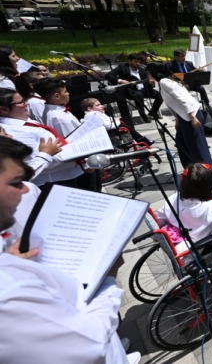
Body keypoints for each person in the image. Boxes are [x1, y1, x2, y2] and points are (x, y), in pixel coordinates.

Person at [0, 136, 142, 364]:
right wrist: (107, 279)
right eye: (15, 182)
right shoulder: (7, 291)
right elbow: (89, 343)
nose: (25, 190)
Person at [0, 89, 79, 189]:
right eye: (20, 102)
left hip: (65, 174)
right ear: (4, 109)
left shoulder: (21, 119)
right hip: (53, 182)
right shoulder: (13, 132)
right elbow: (34, 162)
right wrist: (75, 154)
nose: (26, 104)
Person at [147, 64, 212, 169]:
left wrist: (192, 118)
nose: (147, 75)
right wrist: (178, 119)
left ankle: (209, 174)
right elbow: (174, 103)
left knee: (197, 149)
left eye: (149, 73)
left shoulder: (164, 82)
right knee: (181, 144)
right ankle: (190, 171)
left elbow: (183, 99)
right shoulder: (165, 82)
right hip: (185, 116)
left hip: (191, 115)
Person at [105, 53, 163, 123]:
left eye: (139, 62)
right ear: (129, 61)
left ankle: (153, 112)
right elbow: (108, 75)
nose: (138, 63)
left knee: (161, 95)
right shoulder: (122, 67)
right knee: (139, 95)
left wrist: (152, 84)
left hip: (143, 90)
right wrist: (121, 81)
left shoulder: (142, 70)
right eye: (135, 61)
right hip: (129, 91)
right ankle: (143, 116)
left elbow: (147, 85)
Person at [80, 98, 153, 145]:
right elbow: (108, 126)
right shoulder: (93, 115)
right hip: (106, 133)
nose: (102, 106)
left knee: (123, 124)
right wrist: (117, 121)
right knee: (123, 126)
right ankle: (140, 139)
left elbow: (108, 120)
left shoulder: (96, 113)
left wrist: (115, 120)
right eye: (98, 105)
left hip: (108, 130)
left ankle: (139, 138)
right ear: (89, 108)